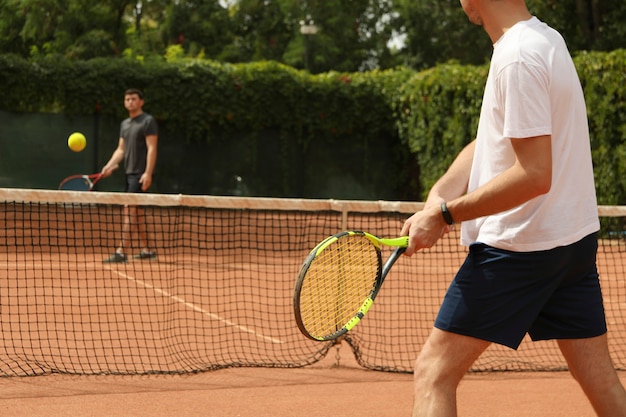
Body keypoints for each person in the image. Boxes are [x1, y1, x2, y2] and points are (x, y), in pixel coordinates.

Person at [400, 1, 626, 416]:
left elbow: (534, 174)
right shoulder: (545, 40)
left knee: (434, 371)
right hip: (571, 245)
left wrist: (446, 215)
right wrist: (441, 192)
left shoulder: (516, 57)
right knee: (599, 375)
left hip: (520, 249)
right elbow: (496, 138)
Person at [102, 88, 158, 263]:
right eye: (127, 99)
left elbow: (152, 148)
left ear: (141, 102)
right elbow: (121, 150)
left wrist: (148, 173)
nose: (130, 102)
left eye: (133, 99)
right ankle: (149, 250)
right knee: (138, 213)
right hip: (128, 173)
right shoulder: (125, 124)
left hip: (140, 174)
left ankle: (122, 251)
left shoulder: (148, 121)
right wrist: (108, 166)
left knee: (129, 210)